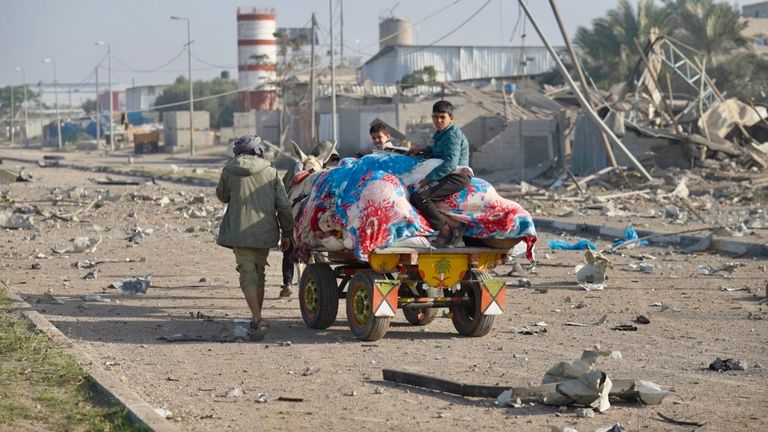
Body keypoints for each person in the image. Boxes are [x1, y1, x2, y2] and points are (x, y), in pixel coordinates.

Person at [216, 135, 294, 340]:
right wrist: (287, 232)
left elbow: (222, 196)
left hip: (239, 231)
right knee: (259, 273)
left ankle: (258, 318)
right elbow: (284, 206)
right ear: (258, 151)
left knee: (247, 274)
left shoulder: (229, 169)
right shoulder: (270, 171)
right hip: (265, 230)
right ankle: (256, 317)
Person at [408, 100, 471, 247]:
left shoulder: (452, 136)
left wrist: (428, 179)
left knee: (421, 195)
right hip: (449, 174)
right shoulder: (442, 134)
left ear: (451, 118)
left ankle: (445, 230)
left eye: (442, 117)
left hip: (457, 176)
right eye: (435, 117)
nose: (439, 120)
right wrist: (424, 149)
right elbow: (440, 151)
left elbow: (450, 163)